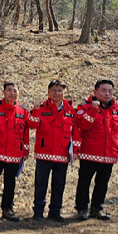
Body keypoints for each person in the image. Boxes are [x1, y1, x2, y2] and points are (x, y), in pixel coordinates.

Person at [28, 80, 80, 222]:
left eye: (60, 90)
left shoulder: (71, 111)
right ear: (48, 92)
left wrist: (75, 150)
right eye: (54, 90)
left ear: (64, 92)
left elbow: (75, 133)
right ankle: (38, 211)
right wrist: (36, 109)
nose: (57, 93)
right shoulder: (41, 108)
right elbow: (32, 124)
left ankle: (55, 211)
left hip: (62, 154)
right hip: (43, 153)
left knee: (59, 184)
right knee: (40, 184)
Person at [75, 79, 118, 220]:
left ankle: (97, 209)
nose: (107, 93)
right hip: (89, 152)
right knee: (84, 182)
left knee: (102, 183)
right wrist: (93, 109)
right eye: (103, 90)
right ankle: (82, 209)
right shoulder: (83, 108)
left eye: (110, 91)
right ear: (95, 92)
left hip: (109, 153)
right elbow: (83, 125)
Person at [0, 82, 29, 222]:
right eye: (9, 90)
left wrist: (25, 151)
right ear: (3, 92)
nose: (12, 93)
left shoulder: (22, 111)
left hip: (14, 154)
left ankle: (7, 209)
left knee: (10, 183)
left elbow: (25, 132)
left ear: (18, 92)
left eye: (15, 90)